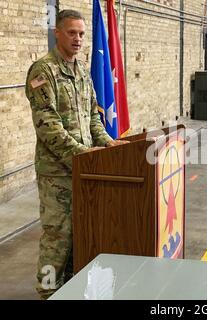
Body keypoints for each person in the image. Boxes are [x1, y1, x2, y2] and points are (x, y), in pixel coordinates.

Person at [25, 9, 128, 299]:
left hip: (85, 168)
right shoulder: (43, 71)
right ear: (57, 33)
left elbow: (93, 116)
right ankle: (46, 292)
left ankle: (68, 289)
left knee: (80, 233)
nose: (78, 39)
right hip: (57, 173)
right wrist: (84, 155)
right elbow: (48, 126)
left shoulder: (82, 70)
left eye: (82, 34)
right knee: (58, 237)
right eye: (72, 33)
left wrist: (107, 143)